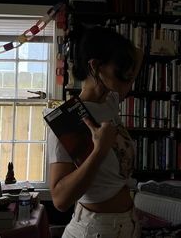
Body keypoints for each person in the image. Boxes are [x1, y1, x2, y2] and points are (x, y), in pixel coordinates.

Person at [48, 25, 143, 238]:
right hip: (95, 230)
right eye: (122, 68)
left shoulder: (110, 100)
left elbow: (138, 53)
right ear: (95, 66)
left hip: (128, 224)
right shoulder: (69, 119)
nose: (129, 76)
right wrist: (99, 151)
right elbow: (60, 200)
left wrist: (114, 47)